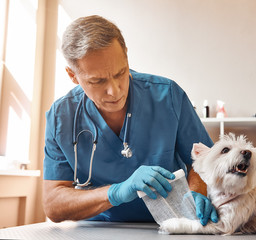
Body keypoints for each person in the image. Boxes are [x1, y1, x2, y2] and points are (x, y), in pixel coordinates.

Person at [43, 15, 218, 226]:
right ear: (73, 75)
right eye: (97, 81)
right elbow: (53, 204)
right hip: (99, 229)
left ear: (126, 57)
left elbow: (205, 161)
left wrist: (198, 193)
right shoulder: (61, 116)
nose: (114, 91)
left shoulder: (168, 96)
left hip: (171, 223)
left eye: (120, 73)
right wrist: (115, 193)